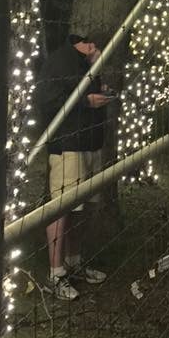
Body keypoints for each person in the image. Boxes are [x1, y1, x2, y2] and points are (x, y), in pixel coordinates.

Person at [34, 32, 113, 300]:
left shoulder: (87, 63)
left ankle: (74, 261)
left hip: (91, 143)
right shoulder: (60, 62)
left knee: (85, 206)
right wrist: (86, 101)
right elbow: (47, 100)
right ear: (88, 42)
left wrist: (98, 87)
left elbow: (90, 90)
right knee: (63, 206)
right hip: (68, 145)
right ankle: (55, 273)